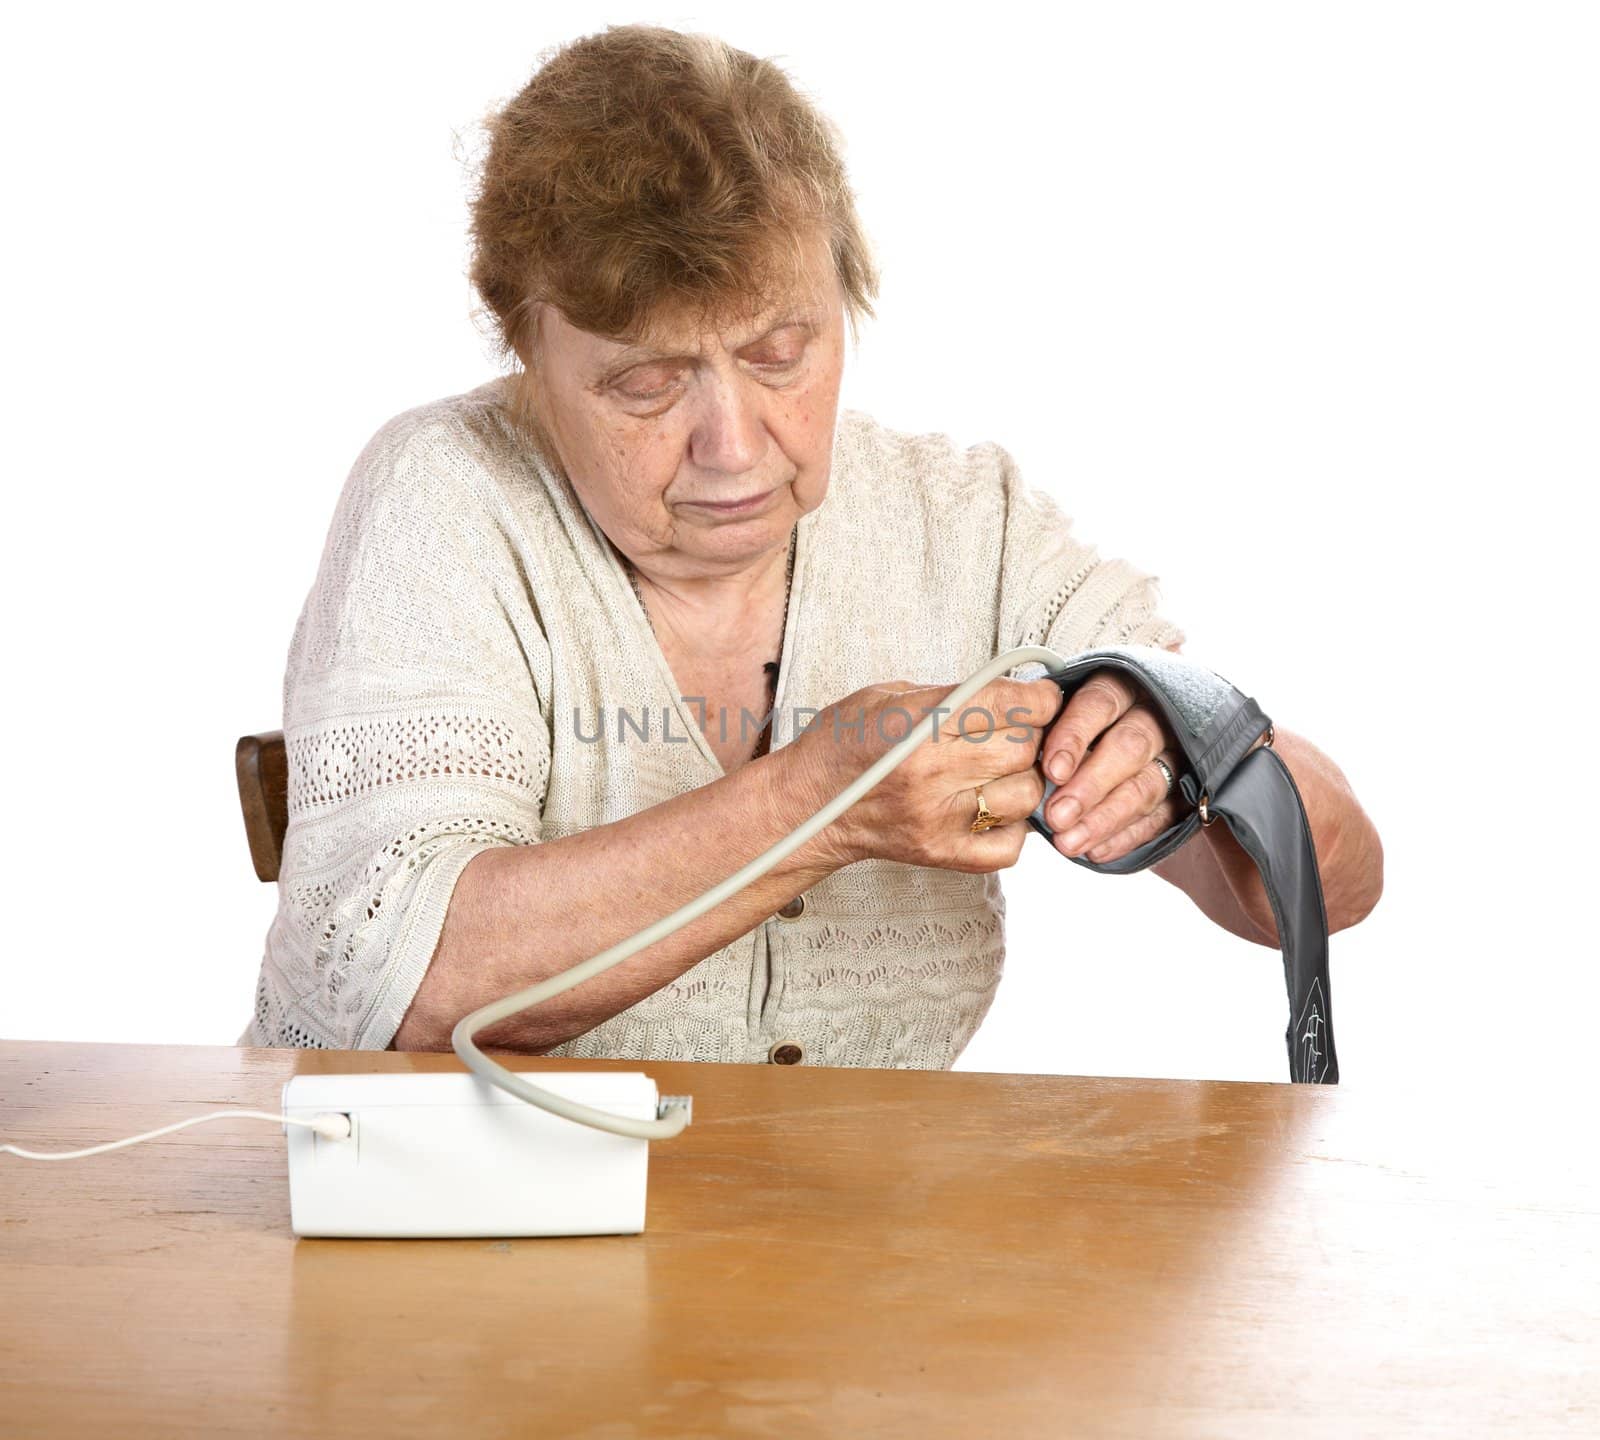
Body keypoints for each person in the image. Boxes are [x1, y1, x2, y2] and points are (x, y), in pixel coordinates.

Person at [239, 24, 1382, 1065]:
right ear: (527, 354)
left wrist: (1182, 741)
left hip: (851, 1253)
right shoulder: (444, 498)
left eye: (782, 353)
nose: (732, 447)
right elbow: (398, 992)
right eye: (646, 383)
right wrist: (820, 805)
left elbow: (1330, 890)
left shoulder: (958, 518)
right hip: (456, 1252)